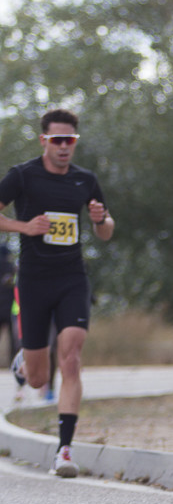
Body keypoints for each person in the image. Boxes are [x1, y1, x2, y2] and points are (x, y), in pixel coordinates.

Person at [0, 109, 115, 477]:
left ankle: (64, 450)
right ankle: (24, 362)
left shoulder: (85, 181)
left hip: (71, 278)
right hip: (33, 280)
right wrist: (25, 227)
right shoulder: (23, 175)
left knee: (71, 358)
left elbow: (106, 231)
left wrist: (100, 220)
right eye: (57, 140)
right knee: (37, 378)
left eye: (70, 141)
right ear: (44, 141)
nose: (64, 147)